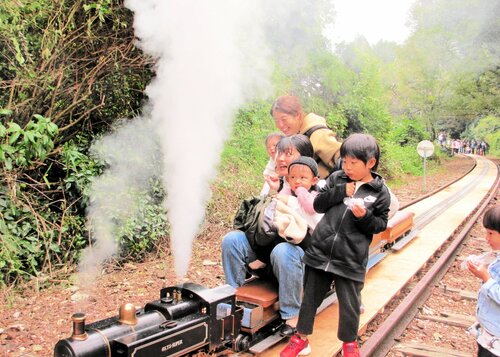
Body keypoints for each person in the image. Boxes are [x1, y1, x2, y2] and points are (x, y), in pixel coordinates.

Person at [280, 133, 391, 357]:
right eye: (345, 161)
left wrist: (364, 217)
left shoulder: (380, 192)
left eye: (353, 163)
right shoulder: (336, 179)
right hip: (321, 251)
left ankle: (350, 345)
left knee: (349, 304)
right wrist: (341, 191)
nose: (347, 167)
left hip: (350, 258)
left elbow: (380, 225)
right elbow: (318, 205)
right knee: (310, 298)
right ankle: (300, 338)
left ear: (370, 163)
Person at [221, 135, 314, 337]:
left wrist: (288, 200)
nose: (280, 158)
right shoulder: (274, 183)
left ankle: (292, 315)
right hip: (267, 259)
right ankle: (231, 301)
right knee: (232, 239)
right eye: (279, 152)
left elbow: (317, 223)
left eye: (288, 153)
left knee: (283, 250)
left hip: (297, 262)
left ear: (304, 158)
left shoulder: (316, 186)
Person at [270, 95, 342, 179]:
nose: (280, 125)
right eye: (276, 121)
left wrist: (337, 186)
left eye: (284, 119)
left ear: (297, 115)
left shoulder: (317, 133)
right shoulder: (296, 135)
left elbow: (343, 157)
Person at [466, 205, 500, 357]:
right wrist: (480, 262)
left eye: (490, 233)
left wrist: (486, 278)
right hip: (489, 333)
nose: (486, 238)